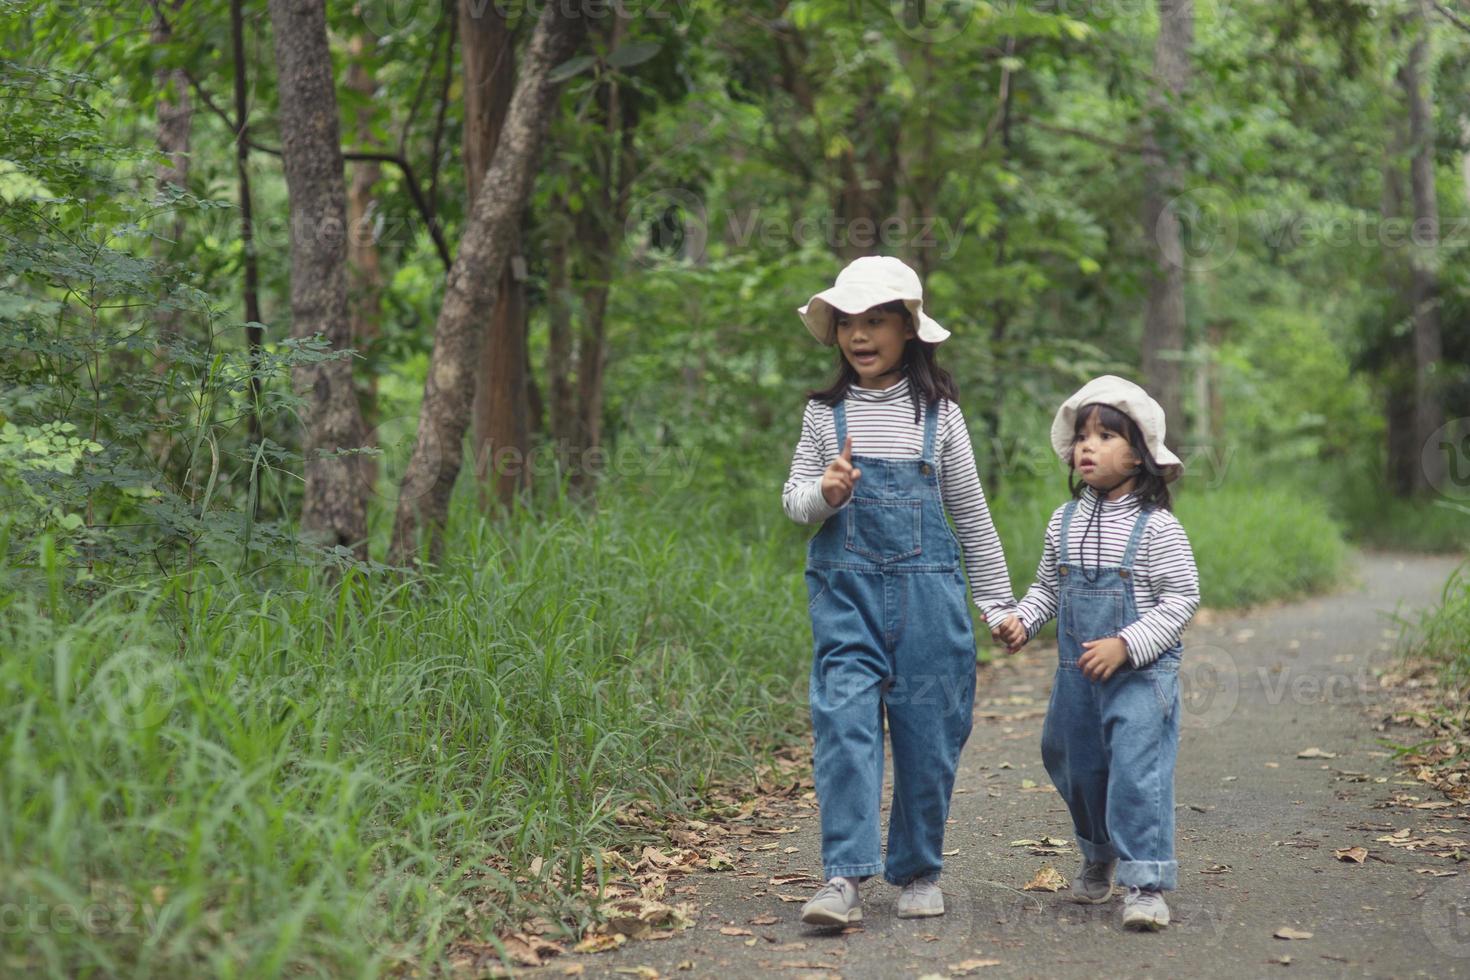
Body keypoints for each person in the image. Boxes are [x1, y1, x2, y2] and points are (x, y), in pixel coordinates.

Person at [782, 255, 1018, 926]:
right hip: (847, 602)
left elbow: (971, 515)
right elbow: (794, 500)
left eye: (875, 321)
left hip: (929, 604)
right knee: (843, 727)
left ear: (908, 330)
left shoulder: (938, 416)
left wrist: (997, 604)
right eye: (848, 322)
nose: (859, 335)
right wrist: (825, 494)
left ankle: (917, 869)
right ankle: (843, 876)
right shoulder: (824, 415)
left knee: (929, 733)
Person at [994, 375, 1200, 931]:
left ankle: (1146, 881)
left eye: (1106, 436)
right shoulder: (1063, 521)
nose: (1089, 445)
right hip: (1076, 676)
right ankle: (1098, 849)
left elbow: (1182, 597)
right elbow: (1047, 590)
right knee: (1071, 760)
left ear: (1139, 456)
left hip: (1140, 675)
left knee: (1136, 770)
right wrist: (1023, 620)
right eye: (1083, 435)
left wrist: (1127, 643)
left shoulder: (1158, 527)